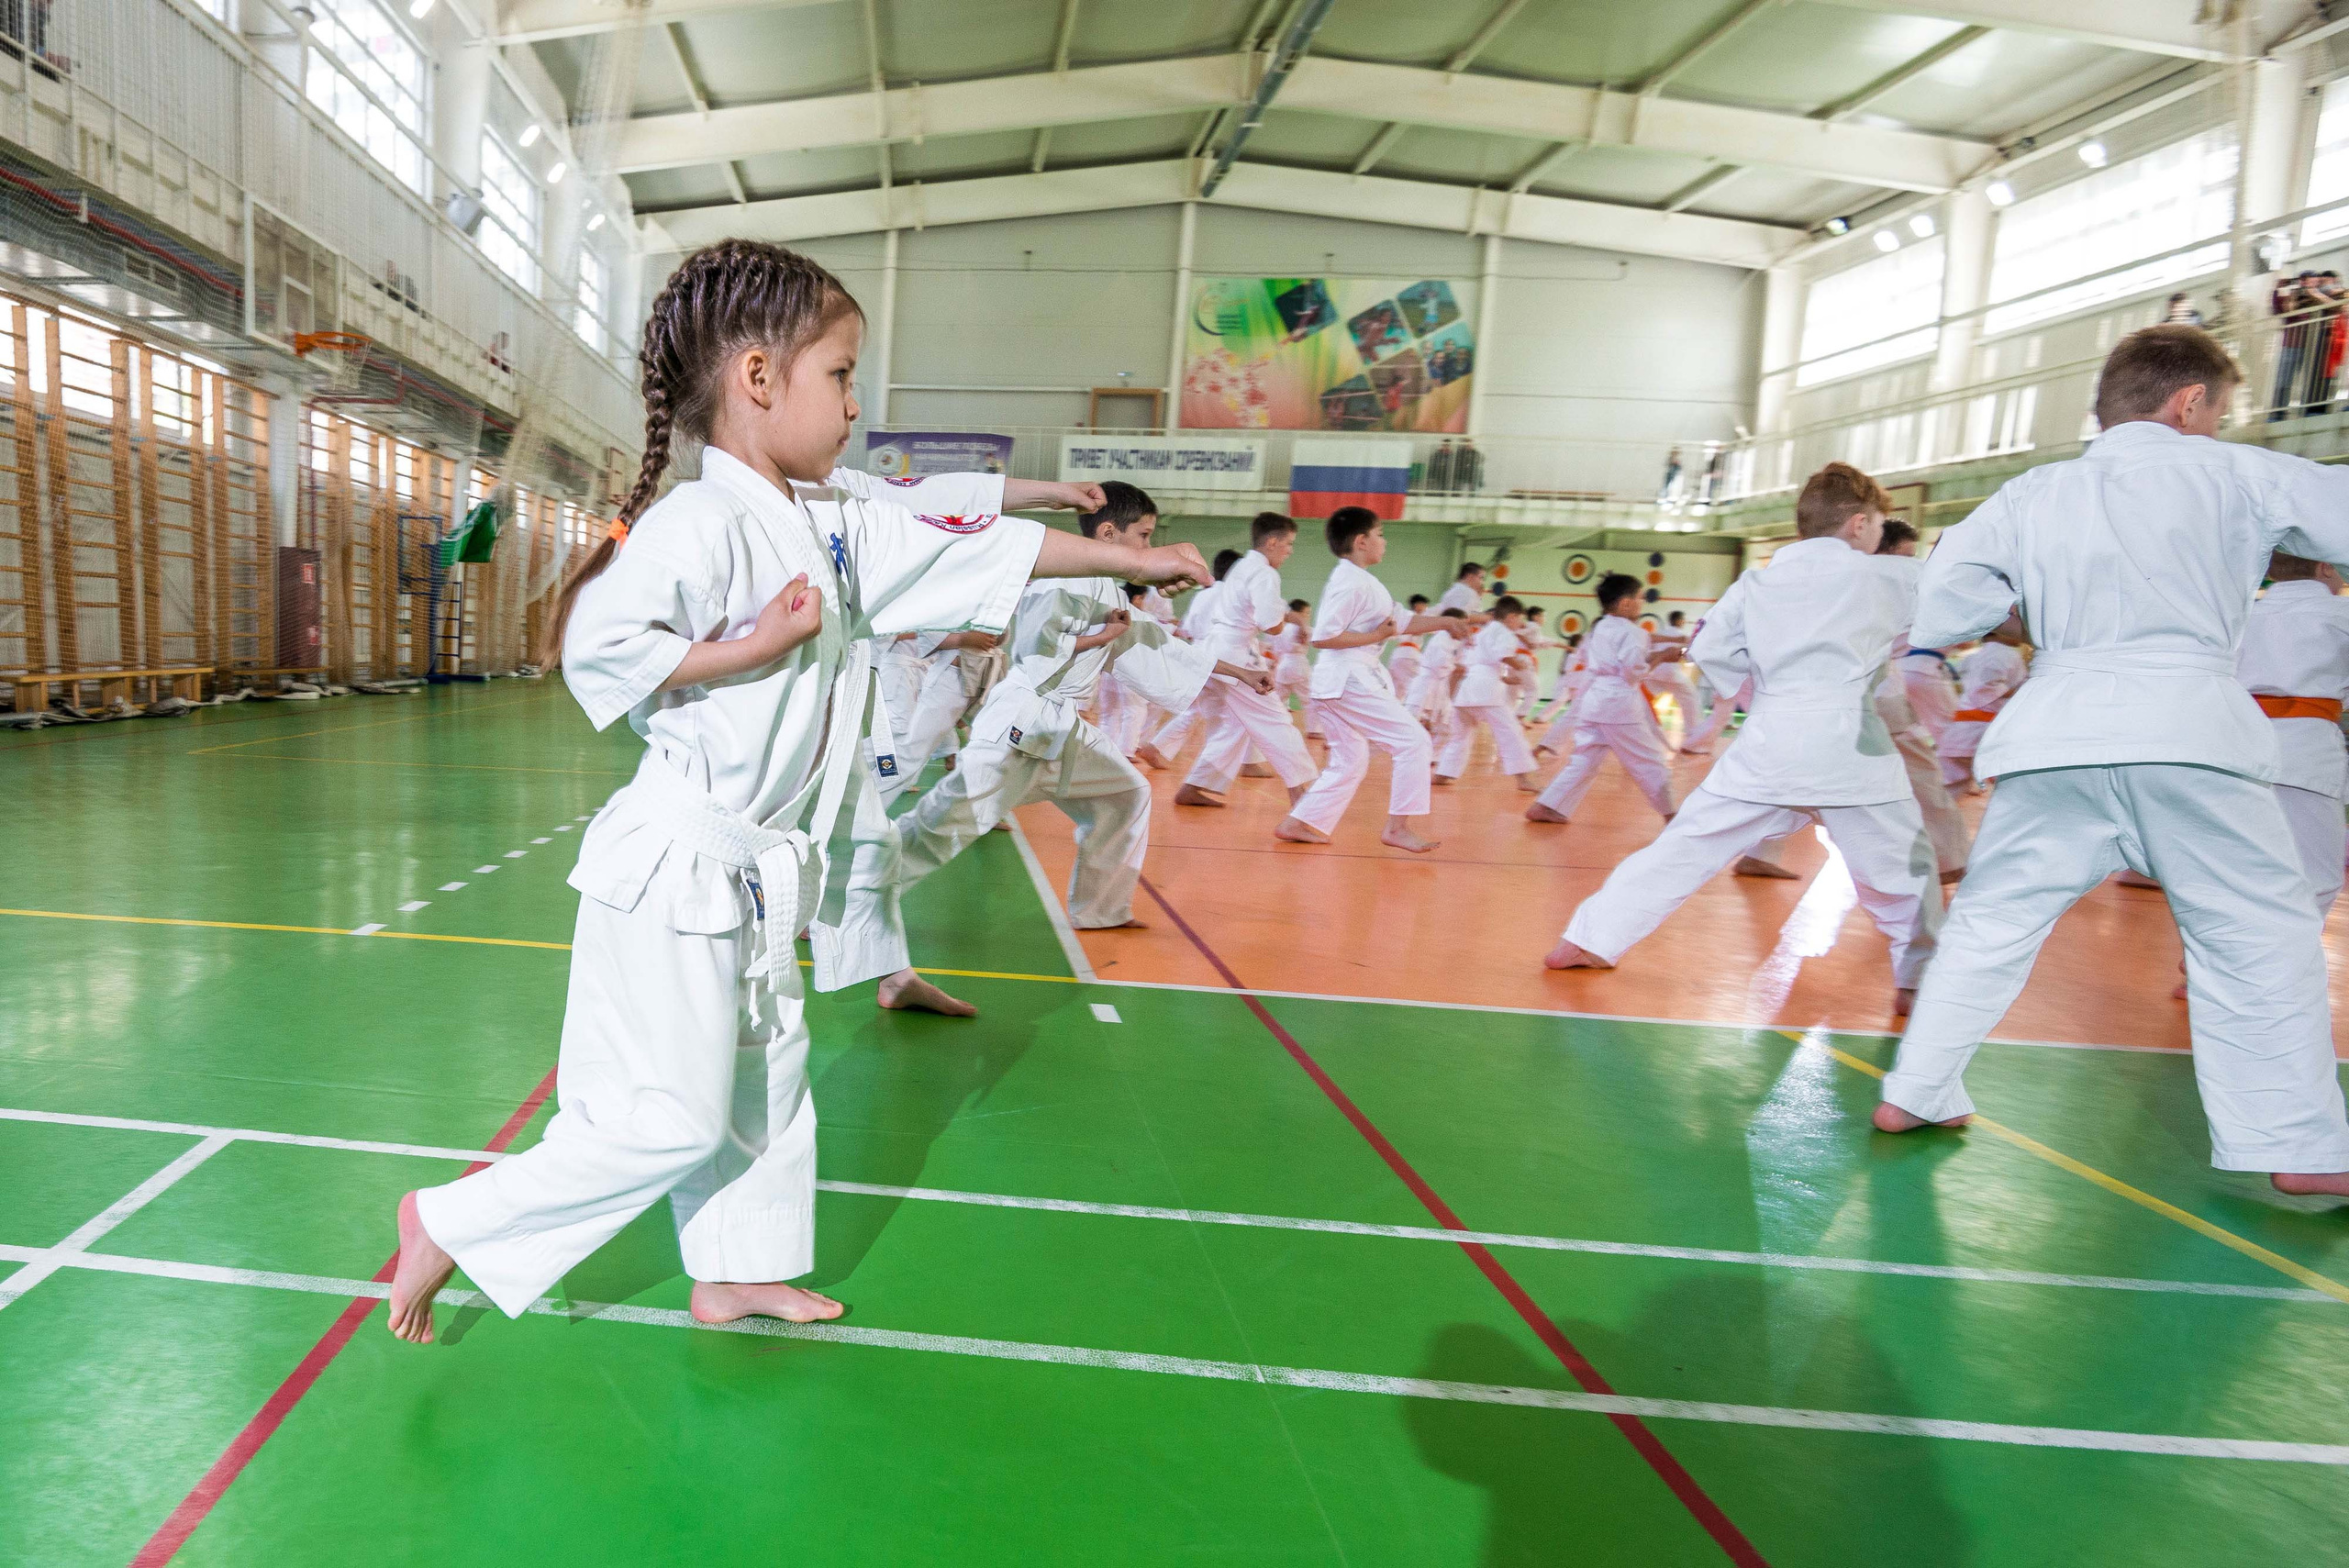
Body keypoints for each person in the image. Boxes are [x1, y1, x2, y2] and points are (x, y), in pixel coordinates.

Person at [384, 241, 1210, 1344]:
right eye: (841, 374)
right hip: (677, 867)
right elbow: (596, 645)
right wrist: (752, 647)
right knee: (669, 1117)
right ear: (759, 377)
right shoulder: (699, 521)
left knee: (765, 1080)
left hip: (760, 869)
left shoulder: (827, 521)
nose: (856, 403)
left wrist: (1132, 563)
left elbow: (971, 539)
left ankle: (735, 1271)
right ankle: (450, 1217)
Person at [1875, 324, 2349, 1202]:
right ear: (2190, 402)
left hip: (2057, 732)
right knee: (2258, 932)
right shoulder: (2239, 473)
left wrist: (2046, 610)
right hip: (2189, 734)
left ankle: (1915, 1090)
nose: (2218, 425)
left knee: (1992, 921)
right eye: (2220, 410)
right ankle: (2297, 1140)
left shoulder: (2030, 493)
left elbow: (1940, 609)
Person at [1544, 462, 1942, 1012]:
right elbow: (1954, 614)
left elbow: (1708, 649)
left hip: (1769, 741)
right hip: (1851, 745)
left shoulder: (1757, 581)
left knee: (1686, 845)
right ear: (1858, 523)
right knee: (1903, 865)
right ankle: (1918, 978)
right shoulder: (1890, 577)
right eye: (1876, 525)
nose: (1878, 536)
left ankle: (1589, 938)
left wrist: (1761, 686)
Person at [885, 482, 1264, 934]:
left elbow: (1154, 640)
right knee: (946, 823)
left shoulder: (1106, 588)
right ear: (1109, 534)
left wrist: (1238, 672)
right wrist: (1104, 636)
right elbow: (1034, 647)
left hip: (1064, 727)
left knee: (1125, 795)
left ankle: (1100, 910)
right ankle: (849, 889)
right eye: (1143, 536)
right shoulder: (1065, 576)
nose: (1148, 548)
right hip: (1023, 719)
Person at [1276, 507, 1467, 853]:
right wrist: (1377, 635)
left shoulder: (1361, 581)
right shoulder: (1351, 583)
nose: (1384, 541)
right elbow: (1324, 637)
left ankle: (1298, 822)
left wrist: (1445, 622)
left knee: (1351, 759)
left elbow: (1401, 622)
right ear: (1361, 541)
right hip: (1348, 678)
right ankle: (1398, 828)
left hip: (1338, 681)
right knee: (1413, 741)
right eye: (1380, 534)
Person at [1174, 514, 1319, 808]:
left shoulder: (1242, 567)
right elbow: (1271, 624)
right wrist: (1284, 623)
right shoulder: (1265, 573)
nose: (1290, 551)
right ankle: (1302, 793)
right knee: (1276, 720)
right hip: (1237, 657)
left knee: (1233, 727)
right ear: (1272, 542)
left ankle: (1194, 786)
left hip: (1213, 654)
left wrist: (1290, 619)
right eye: (1289, 544)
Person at [2235, 551, 2349, 920]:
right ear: (2325, 567)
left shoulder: (2242, 617)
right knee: (2316, 877)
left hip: (2238, 750)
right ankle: (2285, 955)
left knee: (2244, 869)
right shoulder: (2340, 615)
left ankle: (2229, 952)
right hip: (2306, 752)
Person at [1524, 573, 1680, 826]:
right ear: (1626, 603)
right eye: (1640, 598)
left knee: (1585, 759)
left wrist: (1660, 654)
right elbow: (1632, 672)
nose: (1642, 603)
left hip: (1595, 699)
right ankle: (1673, 817)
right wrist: (1663, 657)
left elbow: (1623, 661)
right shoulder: (1633, 632)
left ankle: (1546, 806)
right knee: (1650, 760)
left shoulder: (1601, 627)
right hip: (1619, 703)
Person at [1136, 548, 1241, 769]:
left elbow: (1187, 629)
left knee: (1199, 710)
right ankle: (1214, 764)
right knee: (1227, 713)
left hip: (1198, 653)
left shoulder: (1203, 594)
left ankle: (1158, 748)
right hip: (1222, 656)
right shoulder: (1232, 595)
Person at [1435, 594, 1539, 789]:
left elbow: (1480, 661)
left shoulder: (1483, 632)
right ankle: (1523, 779)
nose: (1520, 624)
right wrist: (1520, 665)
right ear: (1511, 617)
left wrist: (1506, 678)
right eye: (1520, 619)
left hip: (1468, 689)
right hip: (1488, 693)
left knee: (1460, 735)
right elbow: (1503, 655)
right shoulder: (1505, 632)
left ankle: (1444, 773)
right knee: (1511, 733)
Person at [1936, 616, 2026, 792]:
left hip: (1962, 730)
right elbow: (1986, 686)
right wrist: (2020, 692)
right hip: (1983, 730)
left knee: (1951, 787)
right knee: (2011, 784)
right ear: (1997, 633)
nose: (2021, 635)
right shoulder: (2003, 652)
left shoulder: (1978, 655)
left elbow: (1968, 675)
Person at [1271, 597, 1319, 736]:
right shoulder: (1302, 629)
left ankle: (1272, 726)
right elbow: (1320, 636)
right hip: (1298, 666)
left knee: (1278, 699)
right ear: (1298, 613)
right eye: (1306, 613)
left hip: (1283, 666)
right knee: (1310, 700)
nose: (1308, 616)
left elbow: (1276, 649)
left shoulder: (1281, 629)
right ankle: (1314, 730)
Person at [1387, 593, 1431, 695]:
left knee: (1396, 689)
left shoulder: (1405, 617)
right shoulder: (1412, 617)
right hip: (1408, 655)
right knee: (1408, 689)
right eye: (1424, 605)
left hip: (1400, 654)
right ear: (1417, 605)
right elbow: (1419, 631)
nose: (1425, 608)